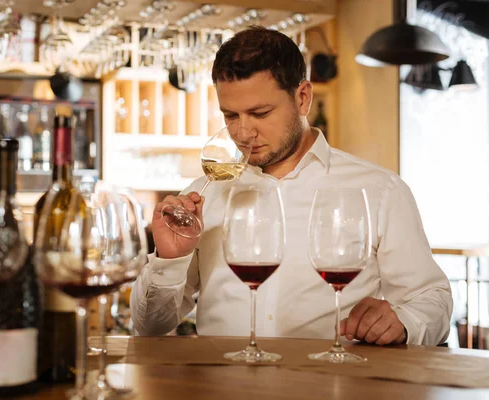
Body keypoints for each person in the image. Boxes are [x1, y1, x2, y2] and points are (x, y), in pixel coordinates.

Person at [130, 26, 452, 346]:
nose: (242, 133)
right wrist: (168, 260)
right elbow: (149, 327)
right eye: (230, 116)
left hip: (331, 388)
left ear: (302, 97)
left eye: (260, 113)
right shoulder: (205, 193)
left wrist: (404, 323)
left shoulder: (380, 190)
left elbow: (430, 299)